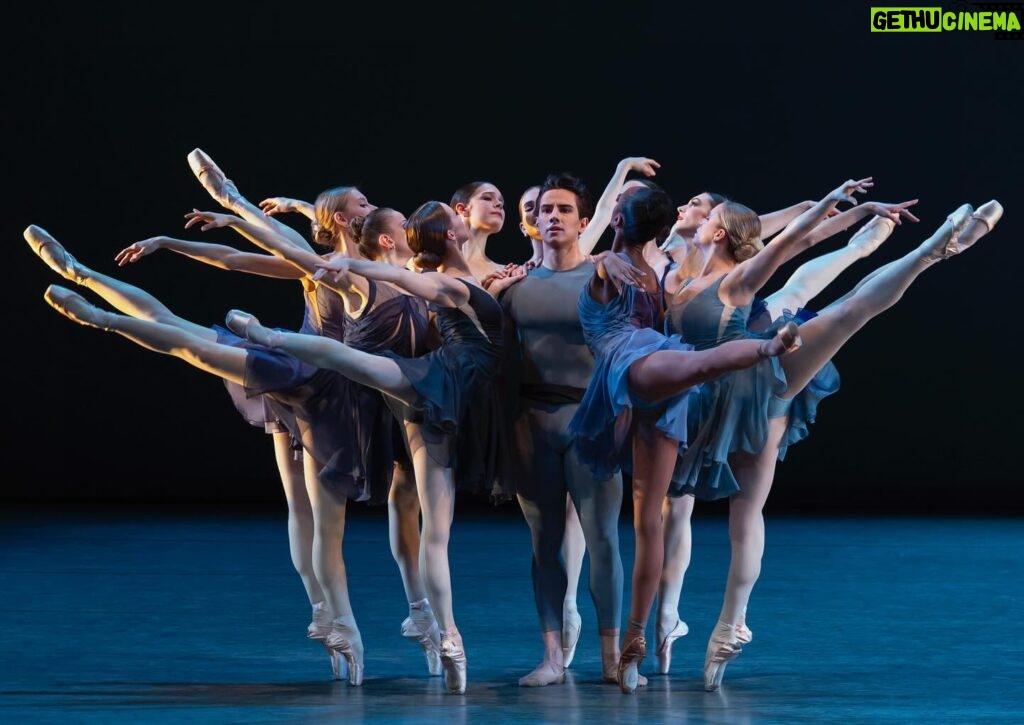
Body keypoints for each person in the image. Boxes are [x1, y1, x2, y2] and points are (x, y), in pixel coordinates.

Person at [663, 180, 1002, 691]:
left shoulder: (731, 274)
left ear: (718, 229)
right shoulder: (675, 269)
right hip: (708, 397)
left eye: (705, 211)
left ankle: (932, 250)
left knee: (838, 311)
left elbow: (791, 238)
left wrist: (844, 207)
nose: (693, 210)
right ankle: (693, 620)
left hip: (756, 381)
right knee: (711, 509)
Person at [222, 199, 512, 695]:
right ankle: (448, 635)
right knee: (357, 368)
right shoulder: (436, 277)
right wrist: (345, 259)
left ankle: (433, 625)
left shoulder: (479, 273)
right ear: (447, 233)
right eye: (456, 215)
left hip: (466, 400)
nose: (466, 218)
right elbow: (397, 276)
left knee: (427, 523)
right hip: (436, 384)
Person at [564, 180, 803, 694]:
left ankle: (635, 646)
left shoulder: (653, 268)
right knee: (692, 364)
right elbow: (609, 257)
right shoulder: (634, 269)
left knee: (651, 523)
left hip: (659, 382)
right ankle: (764, 350)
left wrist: (810, 211)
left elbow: (756, 235)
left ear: (621, 223)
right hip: (633, 365)